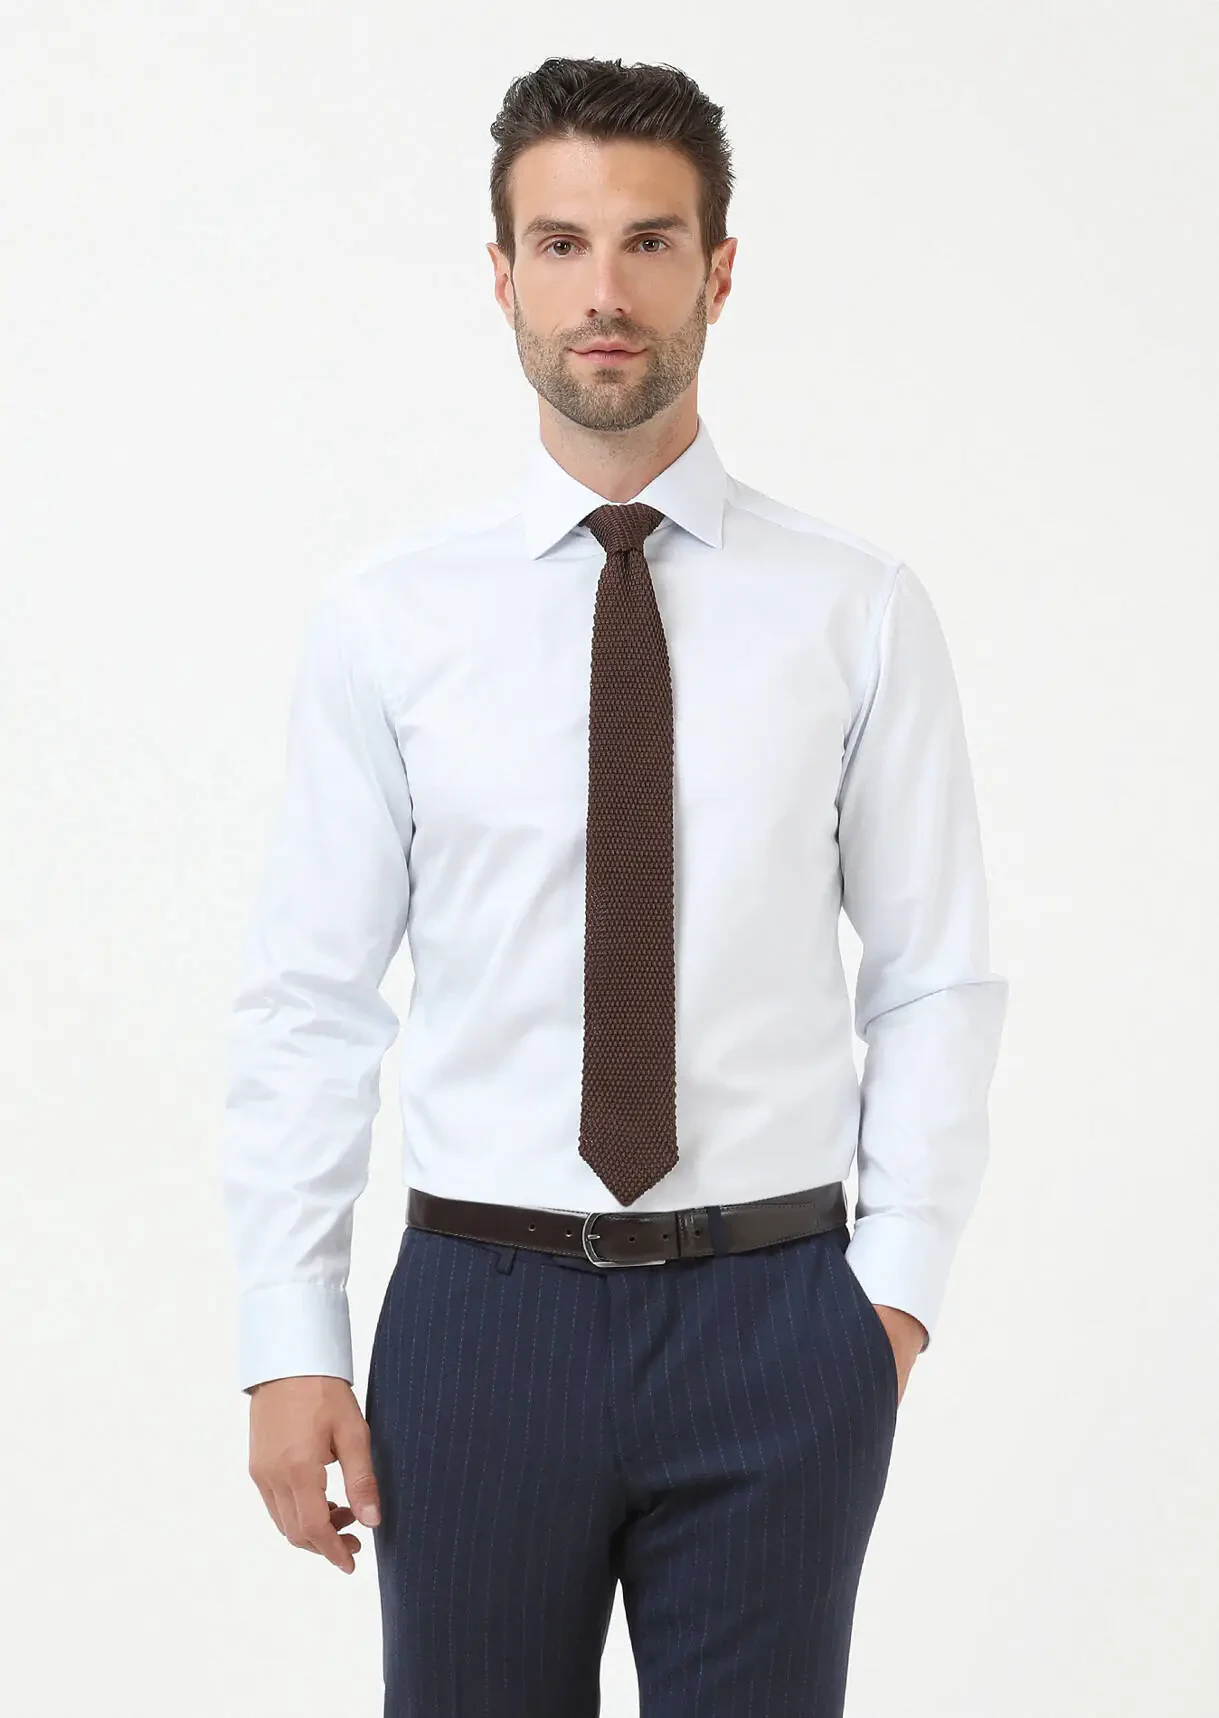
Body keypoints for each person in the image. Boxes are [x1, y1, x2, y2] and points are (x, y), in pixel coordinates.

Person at [221, 53, 1008, 1717]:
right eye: (560, 243)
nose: (604, 292)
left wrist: (890, 1301)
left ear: (717, 270)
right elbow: (312, 997)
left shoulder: (854, 609)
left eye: (648, 241)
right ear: (500, 274)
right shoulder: (389, 623)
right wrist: (290, 1335)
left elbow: (933, 974)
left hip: (775, 1316)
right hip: (479, 1316)